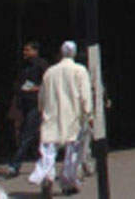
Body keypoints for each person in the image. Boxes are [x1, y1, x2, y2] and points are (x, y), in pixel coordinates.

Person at [28, 41, 91, 197]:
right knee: (72, 152)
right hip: (72, 116)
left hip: (52, 116)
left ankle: (46, 177)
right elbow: (85, 95)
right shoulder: (79, 70)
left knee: (48, 150)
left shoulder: (50, 72)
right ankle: (69, 182)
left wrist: (42, 110)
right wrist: (89, 114)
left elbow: (41, 95)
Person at [5, 41, 47, 179]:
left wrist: (37, 88)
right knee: (30, 136)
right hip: (24, 104)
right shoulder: (23, 67)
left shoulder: (41, 65)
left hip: (36, 104)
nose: (25, 53)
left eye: (28, 50)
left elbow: (47, 84)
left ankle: (14, 165)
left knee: (26, 135)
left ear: (35, 51)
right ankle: (44, 163)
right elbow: (17, 83)